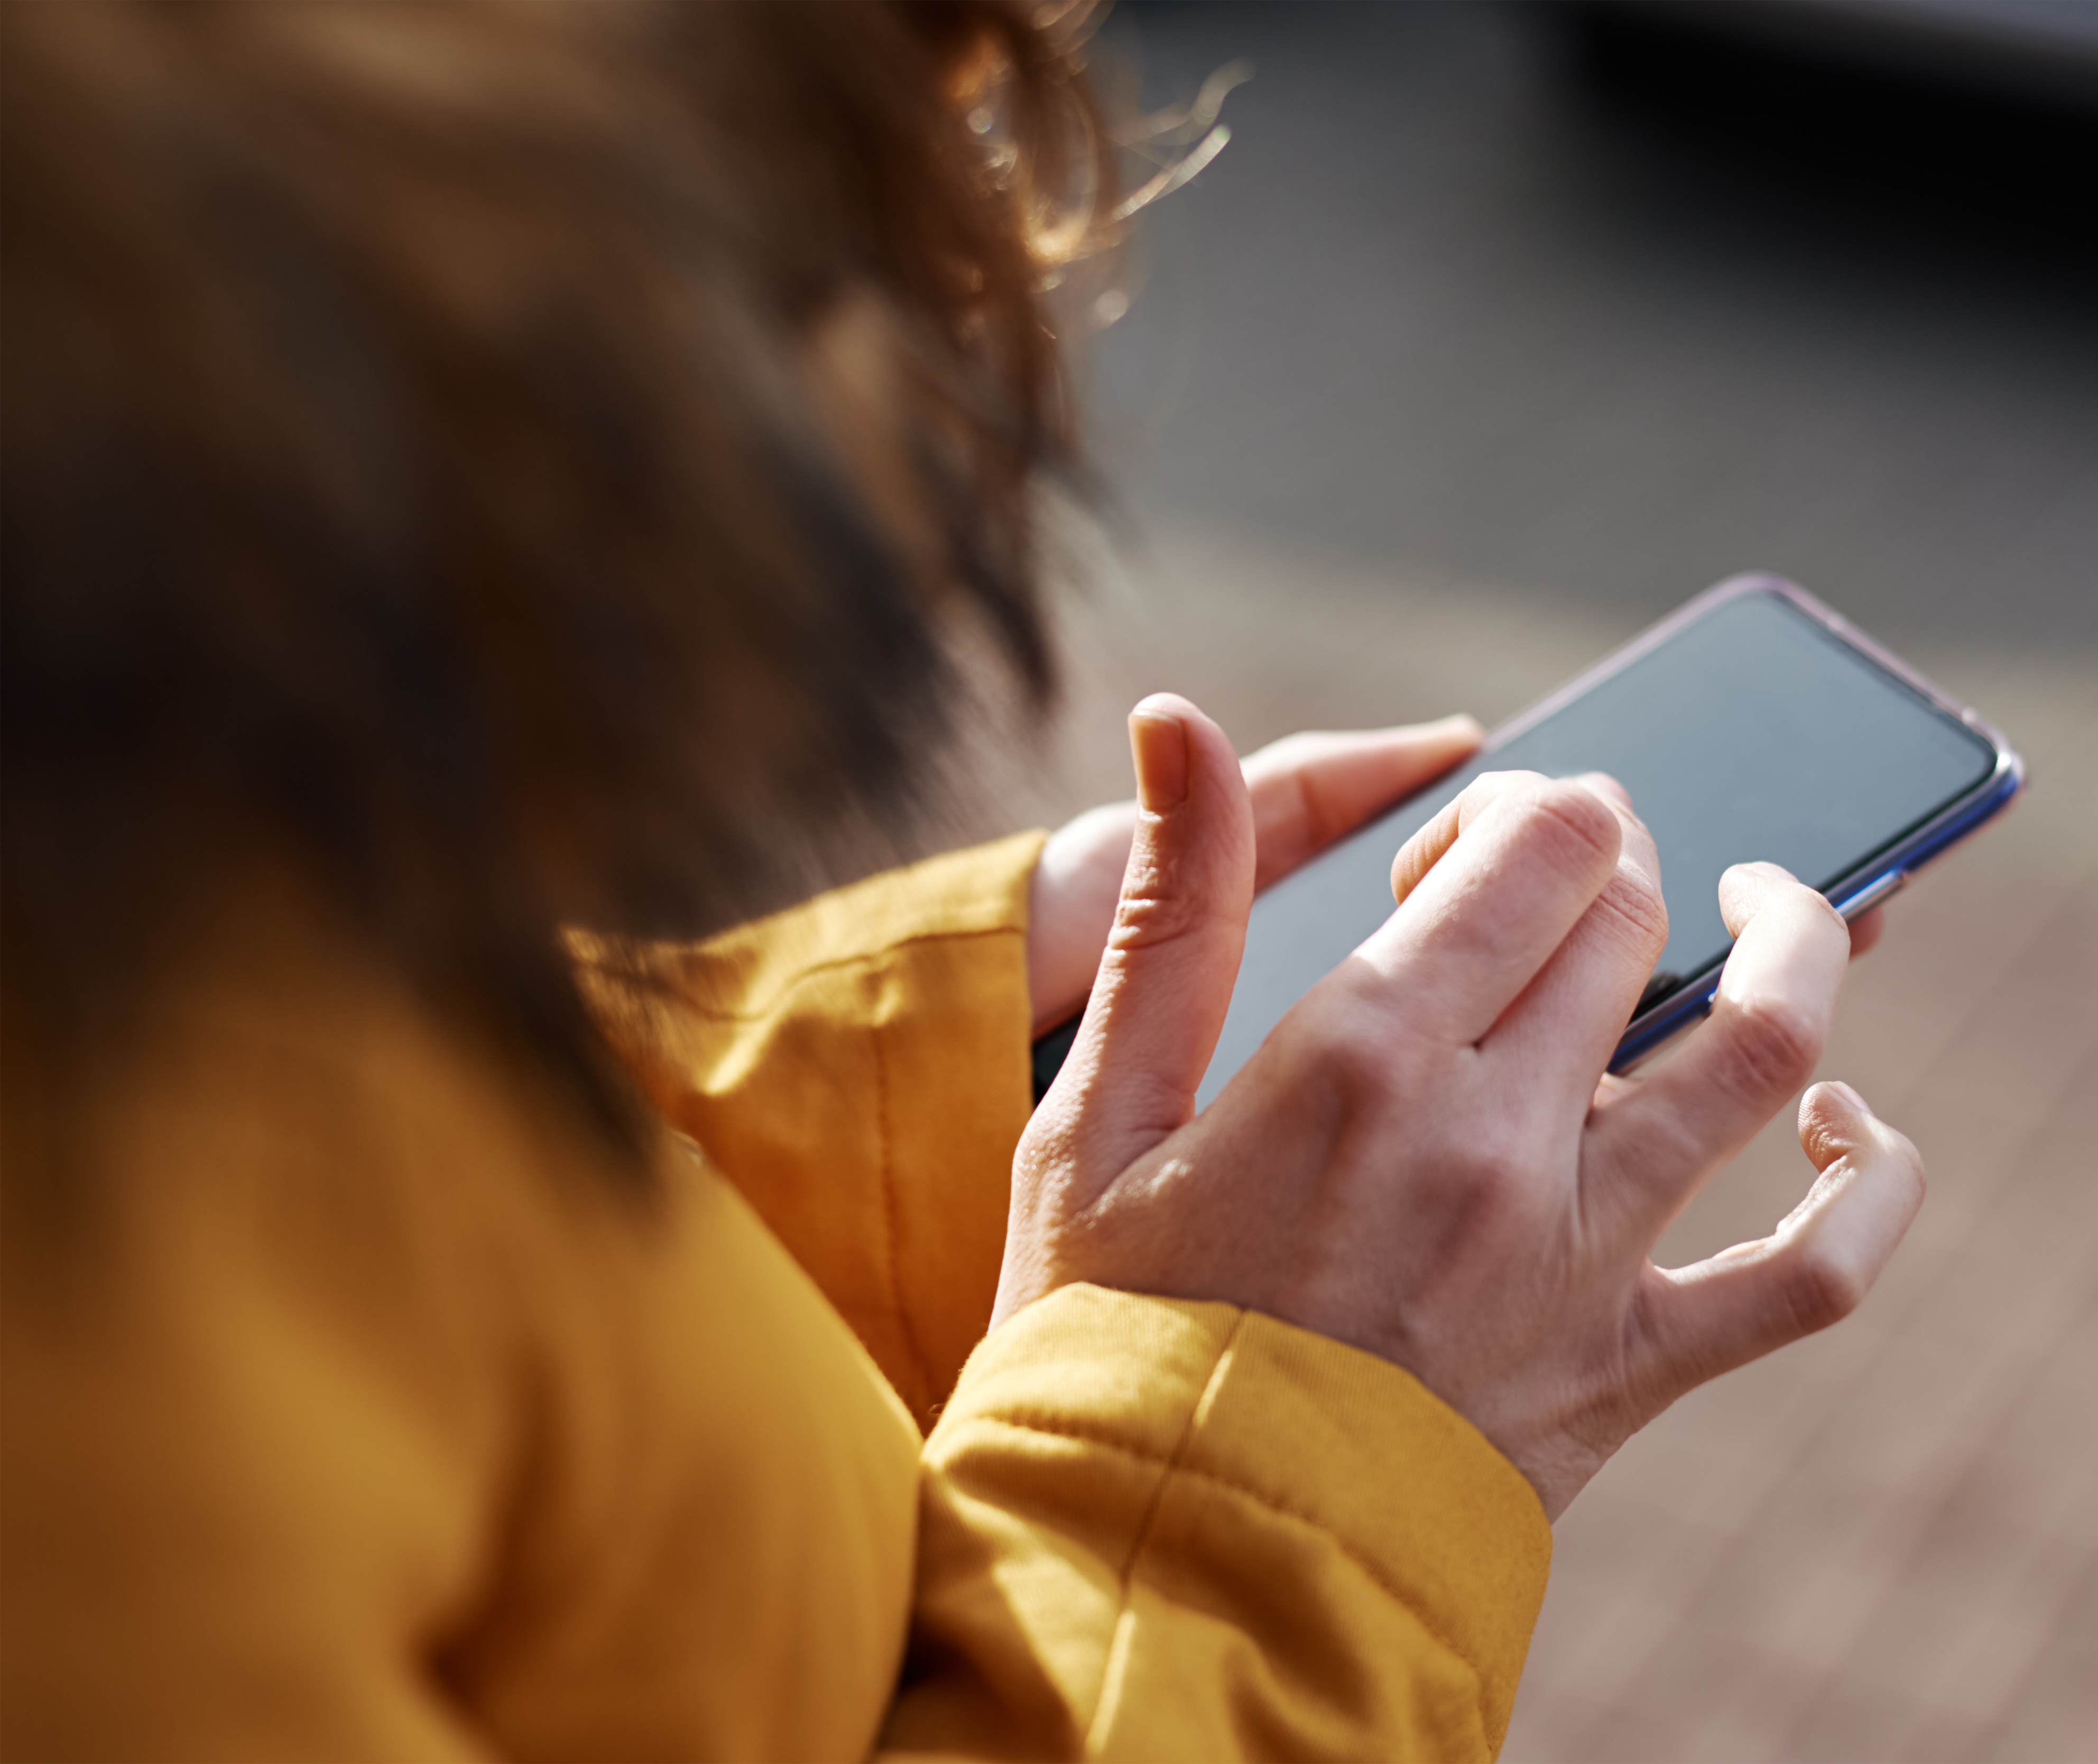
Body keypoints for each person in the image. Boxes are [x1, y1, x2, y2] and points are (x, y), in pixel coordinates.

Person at [0, 3, 1926, 1758]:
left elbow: (391, 1242)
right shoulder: (86, 1391)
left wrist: (939, 1063)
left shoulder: (155, 873)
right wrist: (1272, 1468)